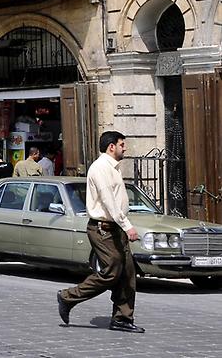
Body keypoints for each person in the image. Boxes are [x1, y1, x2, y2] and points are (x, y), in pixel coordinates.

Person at [57, 131, 143, 333]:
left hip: (115, 229)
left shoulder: (114, 168)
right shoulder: (100, 168)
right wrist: (127, 225)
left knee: (128, 273)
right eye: (122, 144)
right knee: (112, 271)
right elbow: (109, 202)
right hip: (102, 229)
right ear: (111, 146)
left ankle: (122, 318)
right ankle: (68, 296)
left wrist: (123, 225)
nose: (125, 148)